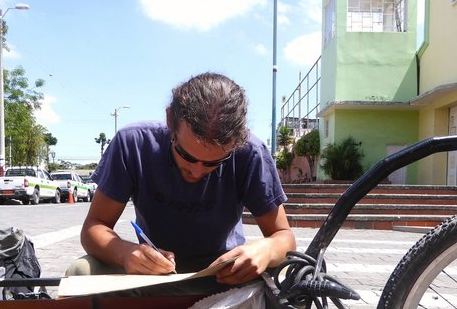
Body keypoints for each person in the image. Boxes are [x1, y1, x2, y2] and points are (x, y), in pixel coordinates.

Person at [66, 72, 295, 292]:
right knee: (80, 272)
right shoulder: (133, 144)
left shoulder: (251, 153)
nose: (196, 172)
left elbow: (284, 237)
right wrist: (125, 253)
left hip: (225, 277)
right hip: (149, 277)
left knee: (295, 277)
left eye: (214, 163)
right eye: (186, 156)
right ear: (170, 120)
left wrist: (267, 249)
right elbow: (94, 227)